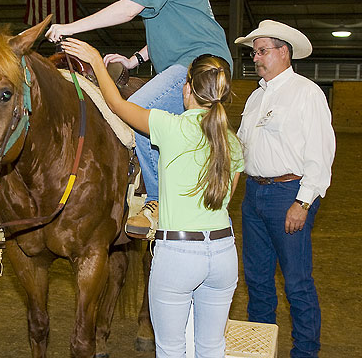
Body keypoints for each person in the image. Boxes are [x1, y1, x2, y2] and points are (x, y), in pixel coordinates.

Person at [46, 0, 232, 237]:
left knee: (136, 111)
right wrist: (134, 59)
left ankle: (158, 199)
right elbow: (168, 29)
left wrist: (69, 27)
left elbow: (127, 9)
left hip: (198, 67)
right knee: (150, 120)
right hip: (191, 65)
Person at [62, 37, 243, 357]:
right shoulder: (231, 140)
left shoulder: (170, 127)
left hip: (178, 253)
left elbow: (117, 106)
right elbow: (227, 194)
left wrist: (92, 58)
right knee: (212, 346)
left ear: (187, 90)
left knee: (171, 348)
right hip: (224, 251)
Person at [235, 20, 335, 358]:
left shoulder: (307, 93)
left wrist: (303, 203)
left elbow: (321, 154)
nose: (256, 58)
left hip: (288, 195)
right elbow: (240, 145)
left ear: (284, 52)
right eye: (253, 52)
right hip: (253, 196)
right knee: (258, 281)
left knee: (296, 282)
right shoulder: (255, 97)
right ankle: (259, 348)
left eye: (262, 51)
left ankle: (305, 353)